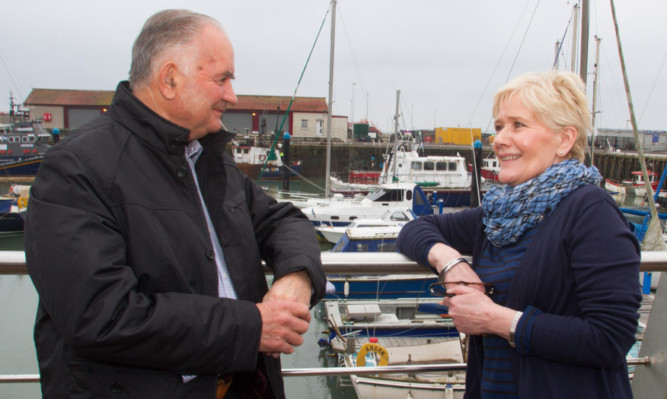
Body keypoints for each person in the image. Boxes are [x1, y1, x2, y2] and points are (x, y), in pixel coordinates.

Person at [24, 9, 326, 399]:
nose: (232, 96)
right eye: (222, 79)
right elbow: (100, 315)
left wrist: (297, 278)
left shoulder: (207, 158)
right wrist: (251, 326)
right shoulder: (76, 169)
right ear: (169, 79)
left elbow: (283, 220)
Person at [397, 70, 642, 398]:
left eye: (518, 125)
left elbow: (610, 338)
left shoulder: (590, 211)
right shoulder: (499, 213)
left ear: (564, 139)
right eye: (499, 126)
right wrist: (450, 262)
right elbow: (416, 228)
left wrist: (494, 319)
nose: (498, 139)